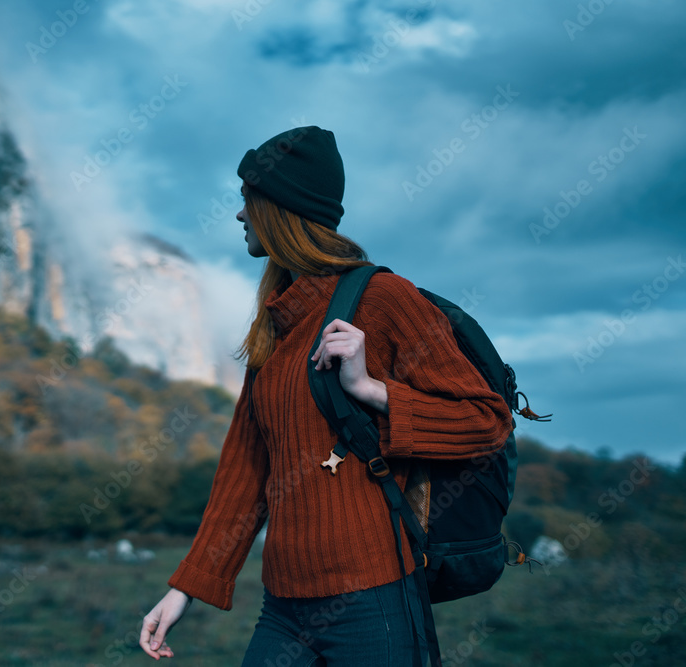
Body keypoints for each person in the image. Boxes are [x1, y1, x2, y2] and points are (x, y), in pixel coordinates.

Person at [139, 126, 513, 665]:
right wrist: (186, 588)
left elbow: (486, 422)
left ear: (282, 208)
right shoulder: (276, 322)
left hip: (374, 597)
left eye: (249, 199)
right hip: (283, 608)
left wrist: (370, 389)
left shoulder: (384, 298)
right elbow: (247, 471)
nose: (240, 215)